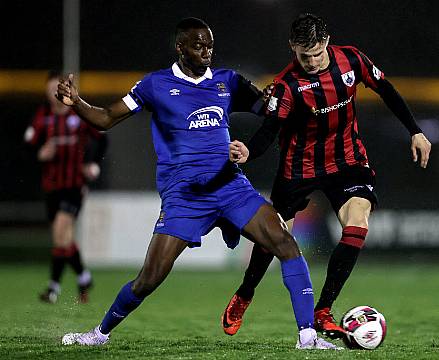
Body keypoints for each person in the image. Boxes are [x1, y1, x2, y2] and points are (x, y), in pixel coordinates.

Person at [58, 17, 339, 350]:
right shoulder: (155, 85)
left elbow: (269, 110)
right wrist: (77, 103)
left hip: (230, 186)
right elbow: (106, 118)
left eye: (210, 45)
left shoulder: (228, 81)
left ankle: (307, 337)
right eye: (198, 45)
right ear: (180, 48)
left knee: (286, 244)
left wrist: (278, 96)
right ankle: (99, 334)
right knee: (150, 278)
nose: (207, 51)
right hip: (185, 195)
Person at [223, 13, 432, 339]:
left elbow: (386, 90)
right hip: (298, 168)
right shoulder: (286, 85)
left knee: (358, 223)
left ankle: (323, 311)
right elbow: (269, 130)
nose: (312, 61)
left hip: (347, 162)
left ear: (327, 42)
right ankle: (246, 292)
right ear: (293, 47)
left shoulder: (352, 60)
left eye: (318, 53)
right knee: (275, 238)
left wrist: (415, 132)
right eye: (304, 56)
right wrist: (250, 151)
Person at [24, 70, 107, 304]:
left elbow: (102, 137)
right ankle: (83, 276)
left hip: (74, 185)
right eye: (50, 88)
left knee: (61, 230)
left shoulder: (77, 113)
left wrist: (92, 163)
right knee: (63, 239)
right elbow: (28, 147)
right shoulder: (42, 116)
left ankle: (53, 288)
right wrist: (40, 153)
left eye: (57, 87)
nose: (54, 92)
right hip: (51, 186)